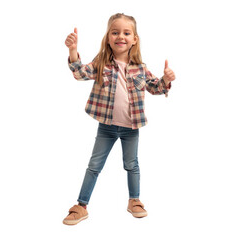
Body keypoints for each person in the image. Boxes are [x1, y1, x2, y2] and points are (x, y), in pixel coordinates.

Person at [62, 13, 175, 225]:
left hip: (131, 128)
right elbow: (80, 73)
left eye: (126, 33)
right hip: (106, 127)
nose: (120, 36)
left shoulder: (140, 68)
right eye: (115, 32)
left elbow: (155, 88)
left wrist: (166, 80)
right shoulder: (101, 63)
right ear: (108, 38)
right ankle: (81, 205)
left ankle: (134, 200)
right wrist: (73, 51)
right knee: (94, 165)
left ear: (134, 39)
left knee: (132, 165)